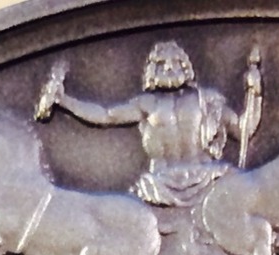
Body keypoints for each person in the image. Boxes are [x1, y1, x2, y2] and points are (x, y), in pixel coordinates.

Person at [35, 40, 259, 206]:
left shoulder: (208, 101)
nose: (169, 68)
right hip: (159, 187)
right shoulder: (146, 104)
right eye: (161, 64)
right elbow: (106, 115)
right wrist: (64, 101)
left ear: (186, 67)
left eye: (175, 63)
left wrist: (255, 93)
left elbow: (244, 130)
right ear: (152, 71)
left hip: (208, 179)